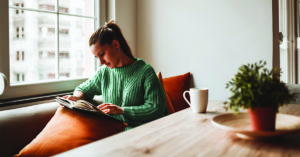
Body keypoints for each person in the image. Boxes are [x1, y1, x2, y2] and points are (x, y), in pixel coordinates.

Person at [64, 20, 168, 130]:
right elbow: (82, 88)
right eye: (97, 57)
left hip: (148, 132)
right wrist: (77, 97)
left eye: (102, 54)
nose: (100, 62)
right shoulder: (103, 72)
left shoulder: (145, 71)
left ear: (115, 44)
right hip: (116, 134)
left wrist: (121, 111)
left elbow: (156, 109)